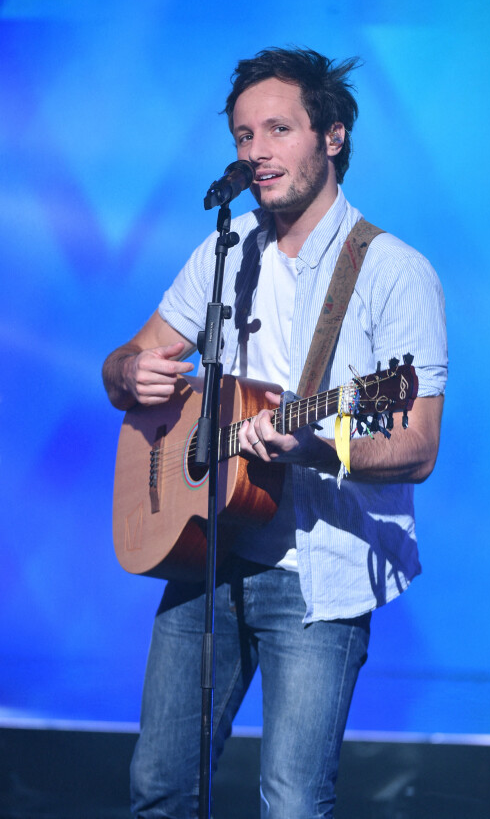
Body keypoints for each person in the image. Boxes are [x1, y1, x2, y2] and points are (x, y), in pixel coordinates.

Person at [102, 46, 447, 819]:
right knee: (159, 786)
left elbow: (419, 444)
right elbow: (126, 358)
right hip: (206, 550)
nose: (255, 152)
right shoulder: (227, 249)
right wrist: (129, 375)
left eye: (278, 129)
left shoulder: (394, 272)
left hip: (316, 577)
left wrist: (318, 444)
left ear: (332, 137)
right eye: (242, 135)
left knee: (291, 804)